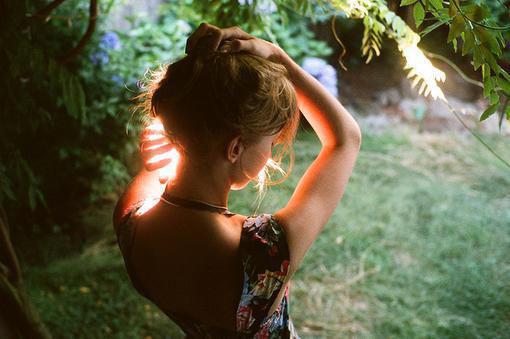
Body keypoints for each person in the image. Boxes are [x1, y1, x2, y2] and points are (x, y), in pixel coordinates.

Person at [113, 23, 361, 338]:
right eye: (271, 142)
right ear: (234, 148)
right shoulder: (262, 254)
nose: (272, 153)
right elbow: (345, 139)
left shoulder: (130, 220)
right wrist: (277, 55)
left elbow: (162, 154)